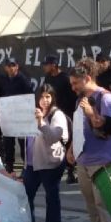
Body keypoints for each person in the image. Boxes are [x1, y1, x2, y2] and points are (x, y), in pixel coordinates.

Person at [67, 58, 111, 222]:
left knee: (105, 204)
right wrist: (72, 148)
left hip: (103, 160)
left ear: (87, 78)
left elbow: (105, 131)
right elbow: (78, 127)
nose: (73, 88)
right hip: (84, 159)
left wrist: (91, 112)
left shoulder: (104, 98)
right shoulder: (79, 100)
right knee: (91, 204)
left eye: (75, 83)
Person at [23, 84, 69, 222]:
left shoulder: (57, 115)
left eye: (48, 96)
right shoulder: (32, 112)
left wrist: (41, 121)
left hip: (50, 162)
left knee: (52, 198)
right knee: (25, 197)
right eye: (42, 96)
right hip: (31, 163)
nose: (44, 100)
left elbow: (53, 137)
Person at [43, 55, 78, 184]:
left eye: (47, 64)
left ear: (54, 65)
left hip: (67, 114)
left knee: (68, 141)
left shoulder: (65, 78)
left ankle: (71, 171)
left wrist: (70, 114)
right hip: (52, 114)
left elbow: (73, 96)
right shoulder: (47, 78)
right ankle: (55, 167)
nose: (44, 67)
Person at [0, 61, 33, 173]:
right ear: (5, 68)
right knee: (8, 141)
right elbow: (0, 94)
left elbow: (29, 95)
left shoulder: (23, 79)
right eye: (9, 66)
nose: (11, 68)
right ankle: (9, 166)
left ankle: (26, 166)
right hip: (7, 114)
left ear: (17, 66)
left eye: (13, 65)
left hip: (21, 115)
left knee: (23, 141)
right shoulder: (3, 79)